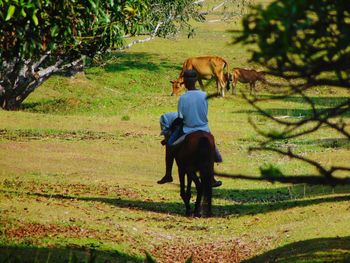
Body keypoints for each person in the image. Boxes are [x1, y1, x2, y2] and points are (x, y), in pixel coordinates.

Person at [157, 69, 222, 187]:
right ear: (196, 81)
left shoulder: (183, 98)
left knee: (170, 145)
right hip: (204, 128)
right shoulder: (204, 95)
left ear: (184, 83)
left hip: (188, 129)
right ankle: (211, 177)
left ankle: (168, 174)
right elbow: (205, 111)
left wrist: (172, 127)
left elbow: (181, 118)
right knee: (211, 147)